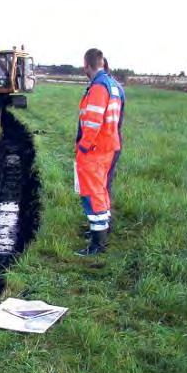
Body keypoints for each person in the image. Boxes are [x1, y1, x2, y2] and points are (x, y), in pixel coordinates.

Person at [74, 48, 124, 256]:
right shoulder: (115, 86)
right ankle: (102, 230)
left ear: (87, 65)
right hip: (110, 147)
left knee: (92, 194)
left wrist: (83, 147)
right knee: (101, 190)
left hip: (95, 150)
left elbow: (93, 122)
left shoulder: (98, 88)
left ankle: (97, 244)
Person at [103, 58, 126, 203]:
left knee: (102, 184)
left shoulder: (103, 88)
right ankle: (103, 217)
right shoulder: (117, 88)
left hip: (106, 143)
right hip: (114, 140)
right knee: (105, 182)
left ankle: (103, 221)